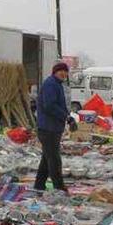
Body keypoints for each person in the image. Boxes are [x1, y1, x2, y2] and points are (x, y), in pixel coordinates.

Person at [35, 62, 75, 191]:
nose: (64, 73)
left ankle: (39, 186)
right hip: (48, 128)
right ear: (55, 72)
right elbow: (50, 106)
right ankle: (59, 188)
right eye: (61, 71)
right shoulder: (51, 84)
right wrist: (66, 117)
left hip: (52, 128)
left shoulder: (57, 84)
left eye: (65, 71)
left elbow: (59, 106)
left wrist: (68, 117)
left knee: (47, 159)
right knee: (54, 160)